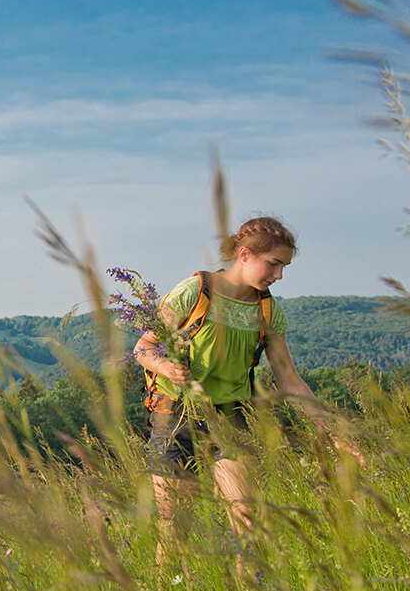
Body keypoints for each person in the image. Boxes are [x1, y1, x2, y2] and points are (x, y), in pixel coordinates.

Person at [131, 216, 345, 563]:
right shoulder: (196, 292)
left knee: (248, 522)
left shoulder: (268, 311)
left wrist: (332, 430)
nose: (278, 276)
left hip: (233, 416)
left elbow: (289, 379)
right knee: (175, 532)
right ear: (244, 254)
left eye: (283, 267)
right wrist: (165, 366)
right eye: (273, 264)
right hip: (176, 417)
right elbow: (144, 348)